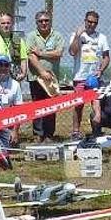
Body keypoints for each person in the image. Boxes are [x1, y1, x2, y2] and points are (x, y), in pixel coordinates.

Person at [68, 10, 110, 138]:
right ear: (85, 21)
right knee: (78, 105)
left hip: (94, 77)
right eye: (89, 21)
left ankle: (96, 130)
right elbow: (72, 52)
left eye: (94, 23)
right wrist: (77, 36)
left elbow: (106, 57)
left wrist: (101, 70)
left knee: (97, 104)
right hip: (80, 77)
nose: (91, 24)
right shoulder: (78, 35)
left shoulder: (102, 37)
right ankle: (76, 131)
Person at [26, 10, 65, 143]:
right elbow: (31, 56)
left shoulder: (57, 36)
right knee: (37, 105)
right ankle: (38, 133)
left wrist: (41, 53)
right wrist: (42, 72)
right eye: (40, 21)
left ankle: (49, 134)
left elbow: (58, 53)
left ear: (50, 21)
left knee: (51, 106)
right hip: (36, 77)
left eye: (46, 20)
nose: (44, 23)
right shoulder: (31, 36)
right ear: (36, 23)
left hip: (52, 78)